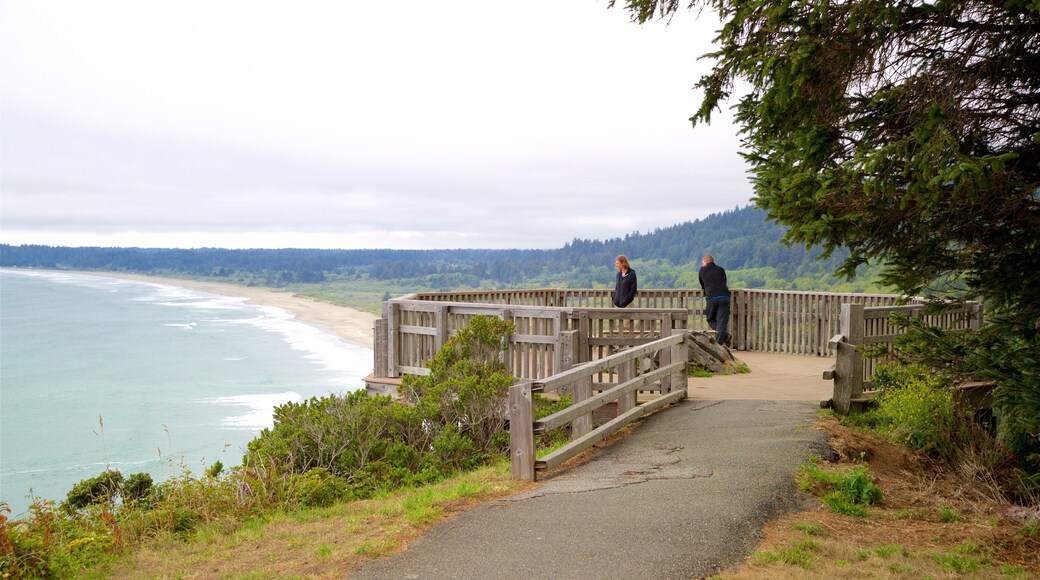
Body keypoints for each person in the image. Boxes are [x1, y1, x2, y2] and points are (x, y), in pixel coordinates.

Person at [699, 254, 731, 347]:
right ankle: (723, 338)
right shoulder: (721, 270)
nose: (702, 265)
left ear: (706, 262)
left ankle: (719, 345)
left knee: (710, 319)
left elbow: (702, 285)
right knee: (722, 321)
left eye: (703, 263)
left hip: (712, 298)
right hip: (724, 296)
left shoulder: (702, 270)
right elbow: (724, 282)